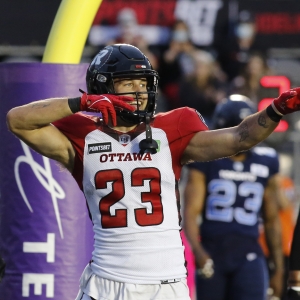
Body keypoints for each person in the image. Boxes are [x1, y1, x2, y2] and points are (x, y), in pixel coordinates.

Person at [5, 43, 300, 300]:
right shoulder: (82, 135)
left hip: (165, 285)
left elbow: (239, 137)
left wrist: (275, 110)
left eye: (143, 83)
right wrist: (81, 102)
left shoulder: (171, 127)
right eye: (128, 83)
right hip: (104, 283)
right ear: (103, 87)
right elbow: (17, 120)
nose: (140, 92)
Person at [183, 95, 284, 300]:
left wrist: (279, 268)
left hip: (249, 253)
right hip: (212, 252)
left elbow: (272, 219)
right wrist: (198, 251)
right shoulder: (206, 161)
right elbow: (190, 213)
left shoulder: (266, 162)